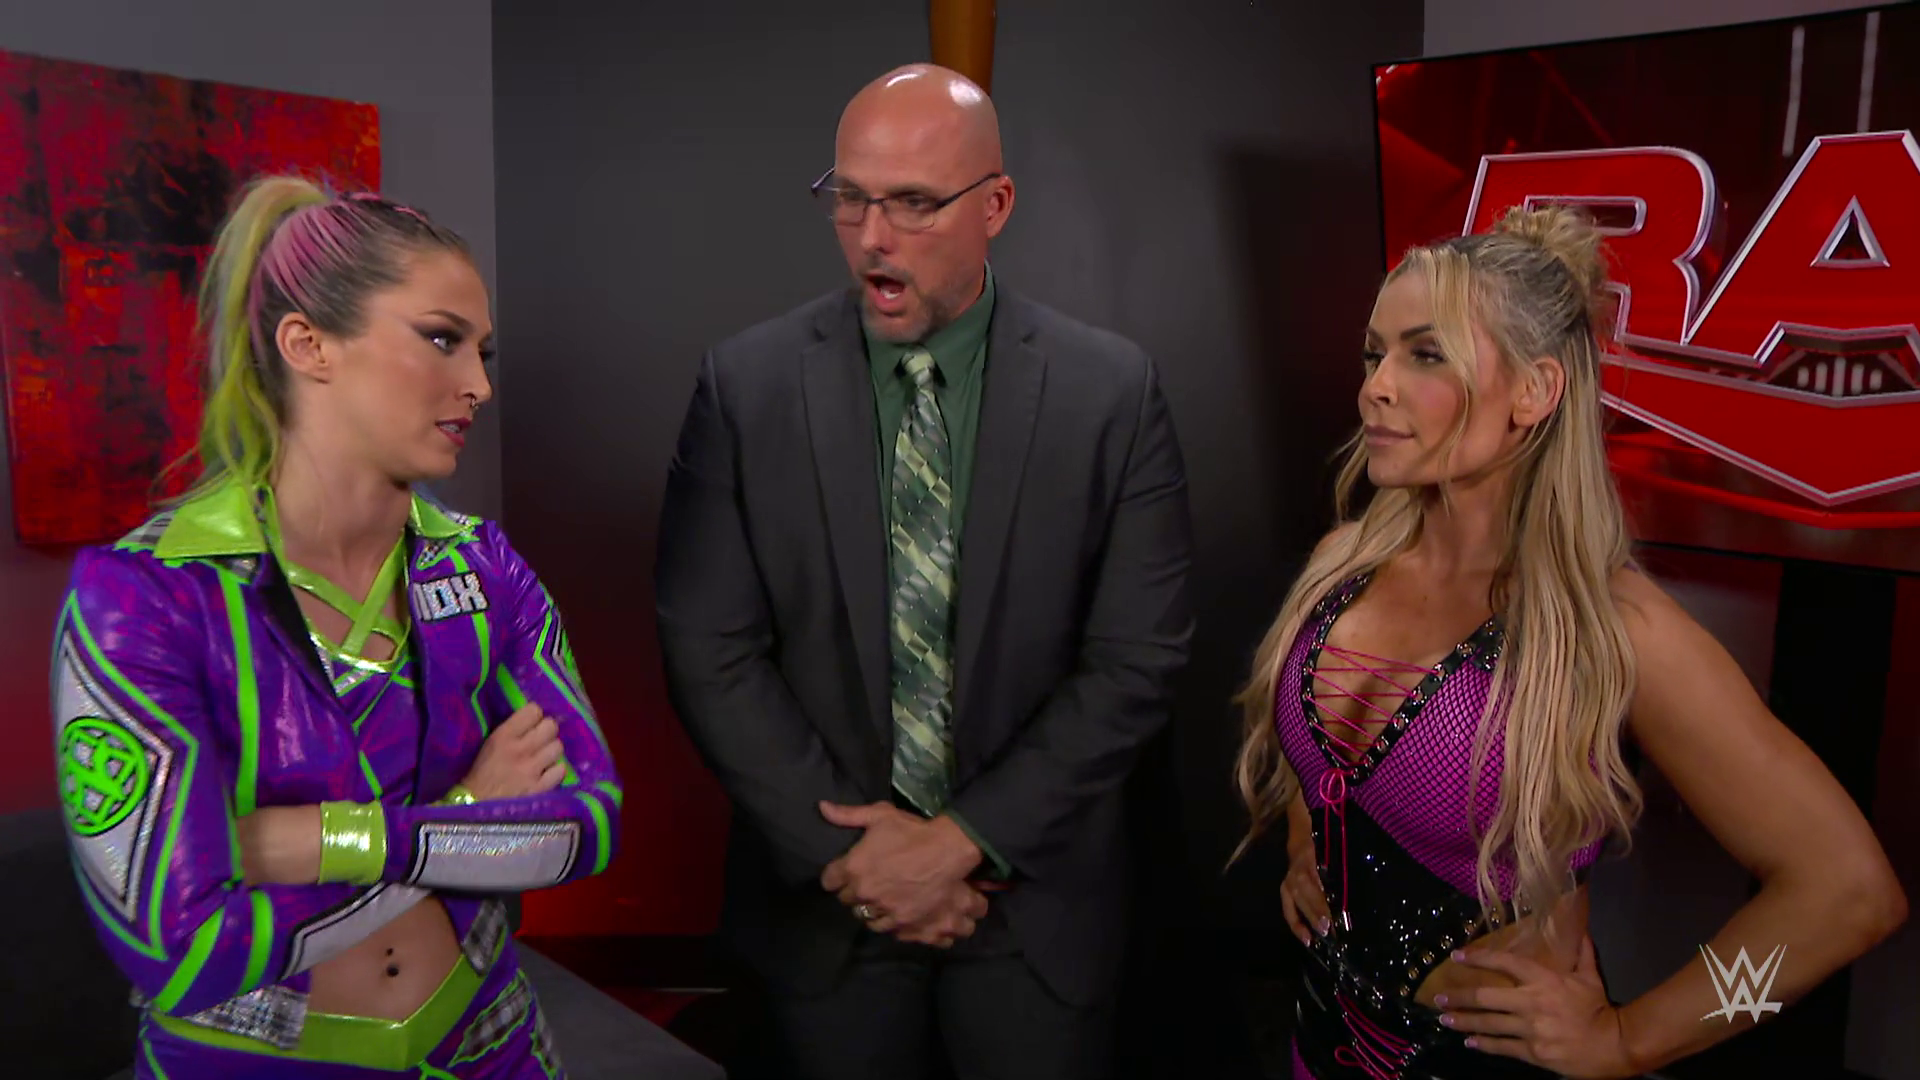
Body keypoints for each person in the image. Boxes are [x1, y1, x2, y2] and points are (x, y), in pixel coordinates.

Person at [1232, 204, 1908, 1080]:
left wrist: (1631, 1039)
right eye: (1374, 353)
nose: (1376, 387)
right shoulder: (1342, 564)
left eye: (1425, 354)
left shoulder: (1611, 630)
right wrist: (1307, 842)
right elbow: (1322, 762)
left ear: (1535, 392)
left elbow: (1850, 893)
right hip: (1318, 1042)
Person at [655, 63, 1194, 1080]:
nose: (873, 237)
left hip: (1034, 912)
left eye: (912, 203)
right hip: (825, 911)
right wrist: (860, 862)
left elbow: (1137, 657)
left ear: (996, 205)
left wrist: (962, 841)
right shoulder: (745, 386)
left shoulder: (1111, 393)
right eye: (850, 198)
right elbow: (708, 647)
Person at [51, 176, 622, 1079]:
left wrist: (300, 840)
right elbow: (184, 947)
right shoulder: (147, 596)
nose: (478, 385)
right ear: (308, 344)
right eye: (441, 339)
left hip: (488, 1041)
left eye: (482, 352)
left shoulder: (484, 568)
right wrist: (468, 813)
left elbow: (586, 824)